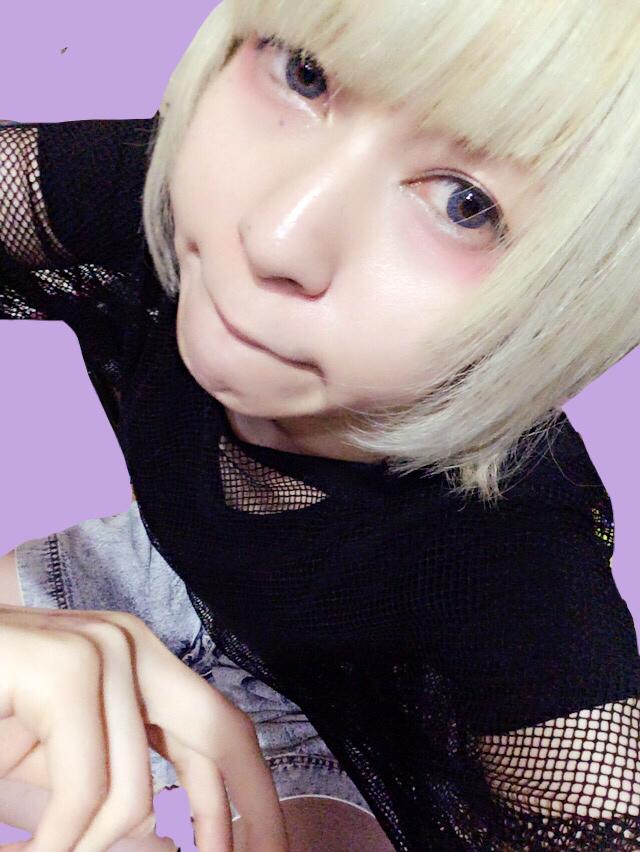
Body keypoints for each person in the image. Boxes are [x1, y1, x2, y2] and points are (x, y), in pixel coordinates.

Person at [1, 0, 640, 849]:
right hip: (148, 573)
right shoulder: (162, 186)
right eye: (305, 74)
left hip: (346, 714)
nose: (276, 234)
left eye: (466, 204)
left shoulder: (514, 564)